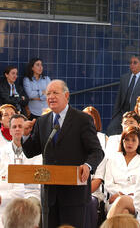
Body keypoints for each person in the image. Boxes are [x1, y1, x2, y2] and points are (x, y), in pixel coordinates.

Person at [22, 79, 104, 228]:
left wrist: (87, 165)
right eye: (48, 94)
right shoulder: (42, 121)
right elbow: (30, 152)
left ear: (67, 96)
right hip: (49, 195)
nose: (51, 96)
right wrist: (26, 135)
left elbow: (97, 151)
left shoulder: (82, 119)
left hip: (74, 194)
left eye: (55, 93)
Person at [0, 114, 42, 227]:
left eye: (20, 126)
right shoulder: (1, 151)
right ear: (9, 131)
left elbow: (36, 181)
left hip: (29, 194)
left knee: (25, 210)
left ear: (26, 129)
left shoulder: (37, 151)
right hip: (4, 196)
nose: (17, 129)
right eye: (14, 127)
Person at [105, 126, 140, 217]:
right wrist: (118, 193)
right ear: (122, 141)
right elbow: (108, 183)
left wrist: (125, 194)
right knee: (124, 213)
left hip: (135, 199)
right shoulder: (113, 158)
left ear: (139, 142)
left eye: (133, 140)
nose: (130, 143)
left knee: (123, 204)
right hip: (115, 197)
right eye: (127, 139)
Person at [107, 55, 140, 135]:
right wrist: (115, 114)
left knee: (132, 133)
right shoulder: (124, 78)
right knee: (111, 129)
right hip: (122, 112)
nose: (132, 65)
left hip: (137, 113)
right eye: (131, 63)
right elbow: (119, 98)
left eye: (135, 63)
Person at [83, 106, 107, 228]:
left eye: (91, 120)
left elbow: (97, 180)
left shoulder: (100, 151)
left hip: (91, 192)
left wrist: (82, 192)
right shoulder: (73, 145)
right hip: (73, 190)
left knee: (89, 202)